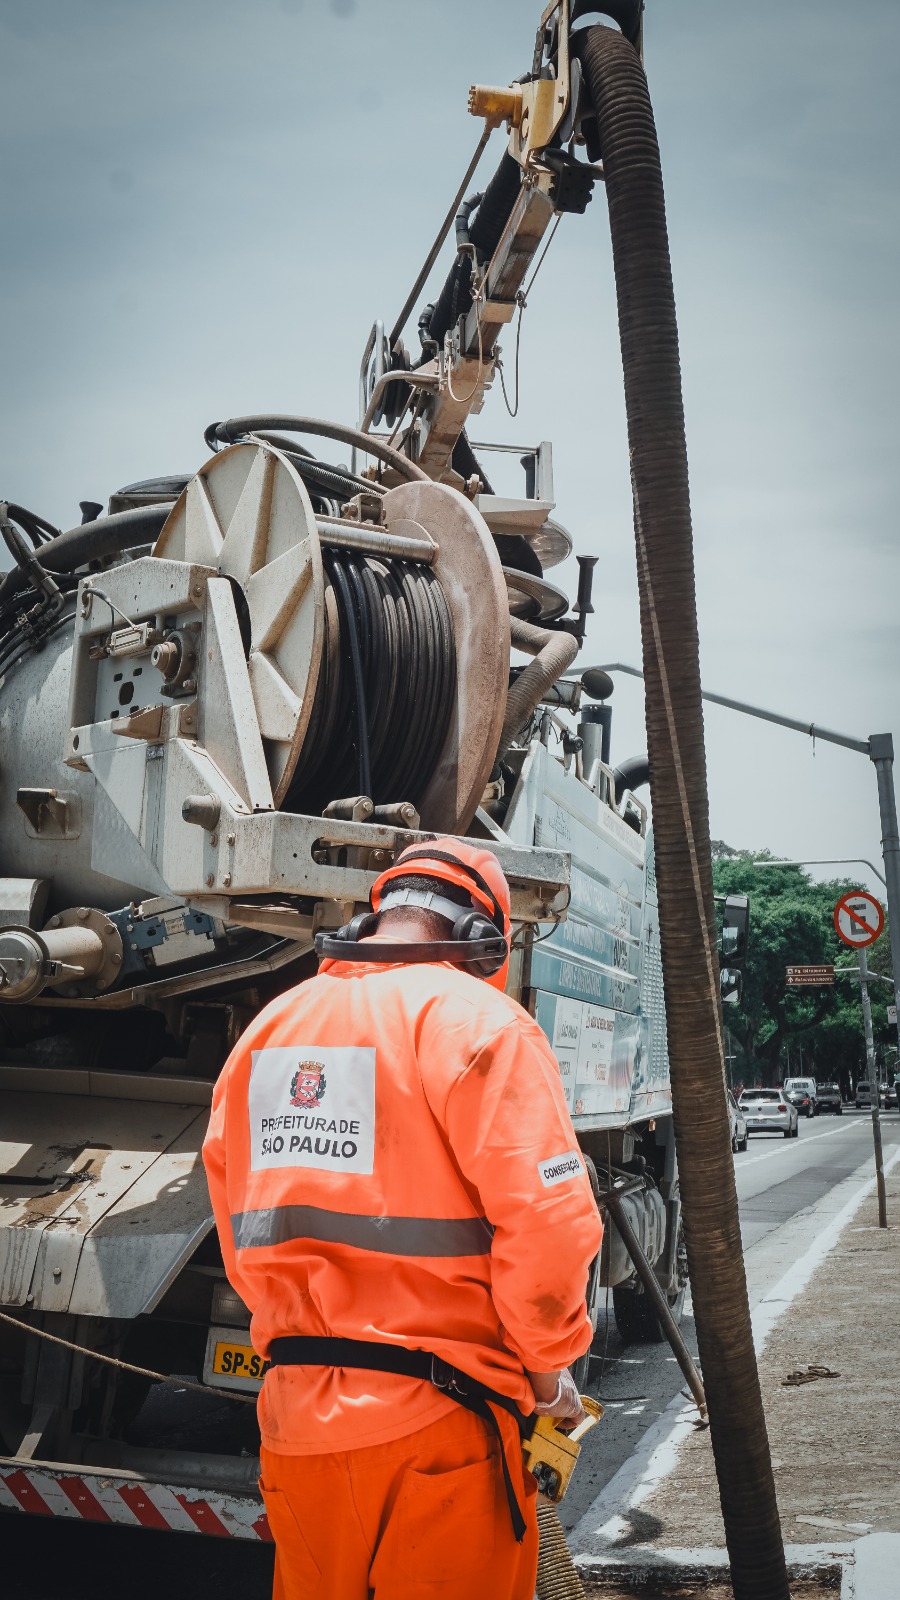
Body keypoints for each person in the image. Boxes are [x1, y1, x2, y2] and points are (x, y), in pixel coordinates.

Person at [203, 837, 603, 1599]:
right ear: (484, 941)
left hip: (296, 1423)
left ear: (373, 917)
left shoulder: (270, 1030)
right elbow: (549, 1225)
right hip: (441, 1427)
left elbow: (235, 1217)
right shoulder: (481, 1024)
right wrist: (550, 1380)